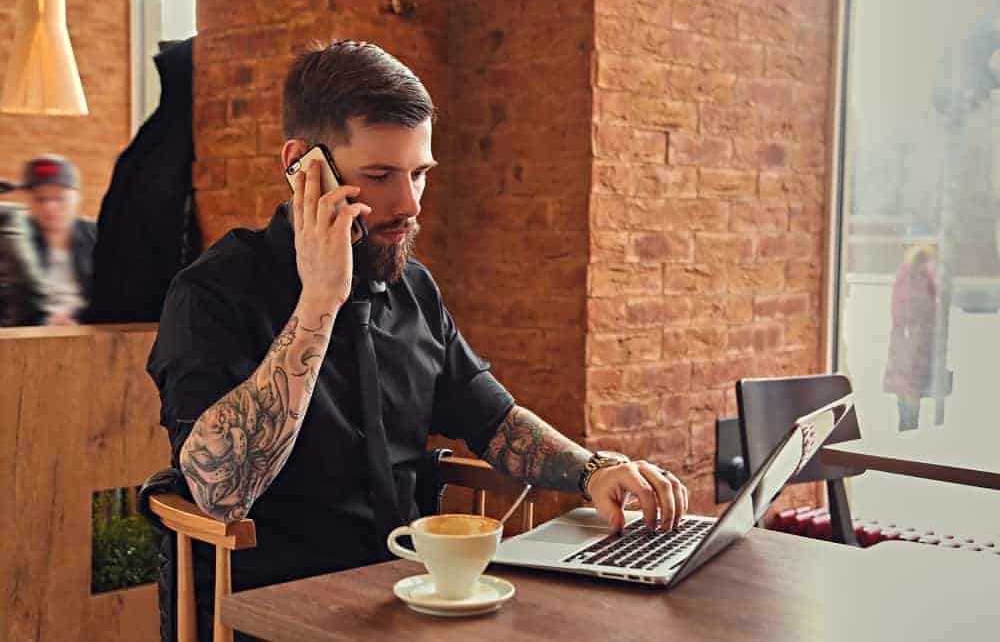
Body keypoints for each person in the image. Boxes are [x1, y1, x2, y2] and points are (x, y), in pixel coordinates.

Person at [147, 40, 688, 638]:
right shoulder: (211, 293)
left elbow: (494, 421)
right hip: (268, 610)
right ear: (304, 165)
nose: (408, 204)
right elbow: (218, 491)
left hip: (410, 595)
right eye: (379, 175)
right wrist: (320, 301)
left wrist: (594, 471)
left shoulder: (412, 287)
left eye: (419, 174)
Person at [21, 155, 96, 324]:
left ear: (76, 197)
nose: (49, 207)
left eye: (59, 198)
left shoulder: (97, 236)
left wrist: (77, 317)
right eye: (40, 199)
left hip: (89, 332)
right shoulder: (16, 238)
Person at [883, 244, 938, 431]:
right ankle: (908, 424)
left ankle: (908, 424)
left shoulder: (920, 277)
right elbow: (915, 308)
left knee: (909, 386)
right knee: (909, 386)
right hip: (911, 340)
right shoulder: (912, 278)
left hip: (913, 341)